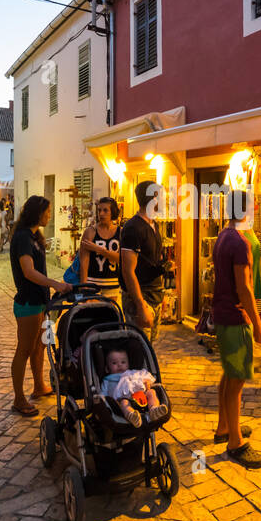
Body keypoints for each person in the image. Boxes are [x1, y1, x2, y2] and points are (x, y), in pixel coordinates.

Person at [209, 189, 261, 468]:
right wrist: (258, 325)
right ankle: (235, 442)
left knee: (229, 374)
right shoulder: (240, 242)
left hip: (222, 313)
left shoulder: (223, 236)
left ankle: (225, 427)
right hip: (235, 316)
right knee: (237, 381)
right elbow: (244, 287)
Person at [9, 195, 69, 416]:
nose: (50, 215)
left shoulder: (35, 236)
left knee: (40, 345)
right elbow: (28, 271)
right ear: (38, 212)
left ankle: (39, 386)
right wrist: (56, 284)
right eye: (48, 211)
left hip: (41, 301)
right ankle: (18, 399)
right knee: (24, 349)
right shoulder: (24, 237)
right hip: (28, 302)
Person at [119, 180, 171, 344]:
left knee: (150, 348)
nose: (166, 200)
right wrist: (141, 306)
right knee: (139, 351)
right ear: (154, 198)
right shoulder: (133, 228)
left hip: (154, 295)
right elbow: (128, 271)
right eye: (162, 196)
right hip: (141, 298)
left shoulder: (153, 225)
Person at [100, 347, 163, 427]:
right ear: (107, 369)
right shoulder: (108, 380)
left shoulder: (134, 373)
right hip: (124, 401)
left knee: (151, 392)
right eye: (114, 363)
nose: (119, 365)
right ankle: (132, 416)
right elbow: (102, 395)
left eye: (123, 362)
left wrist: (147, 382)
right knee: (124, 403)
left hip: (142, 398)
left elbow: (148, 376)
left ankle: (154, 409)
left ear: (128, 364)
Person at [78, 196, 122, 302]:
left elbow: (121, 259)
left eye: (105, 210)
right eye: (99, 210)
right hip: (92, 284)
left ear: (113, 212)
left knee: (110, 316)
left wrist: (98, 249)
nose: (101, 213)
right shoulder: (90, 232)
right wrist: (83, 286)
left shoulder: (120, 232)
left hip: (112, 283)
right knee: (93, 316)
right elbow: (84, 262)